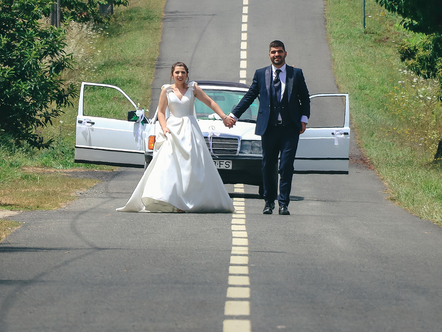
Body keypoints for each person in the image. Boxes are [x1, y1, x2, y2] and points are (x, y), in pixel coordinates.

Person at [117, 62, 235, 213]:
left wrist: (224, 117)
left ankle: (192, 199)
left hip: (190, 129)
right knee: (170, 164)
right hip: (173, 129)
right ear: (172, 74)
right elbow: (161, 112)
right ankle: (172, 200)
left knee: (192, 164)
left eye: (183, 72)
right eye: (177, 72)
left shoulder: (193, 88)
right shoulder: (166, 90)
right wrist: (164, 127)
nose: (180, 75)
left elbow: (210, 102)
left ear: (187, 74)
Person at [224, 40, 310, 215]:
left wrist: (303, 118)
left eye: (279, 51)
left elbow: (304, 98)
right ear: (269, 55)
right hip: (269, 128)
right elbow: (250, 96)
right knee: (268, 166)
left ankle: (283, 203)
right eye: (273, 52)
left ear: (285, 53)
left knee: (286, 166)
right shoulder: (261, 74)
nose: (276, 55)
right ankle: (269, 202)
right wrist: (234, 115)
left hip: (289, 128)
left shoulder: (296, 73)